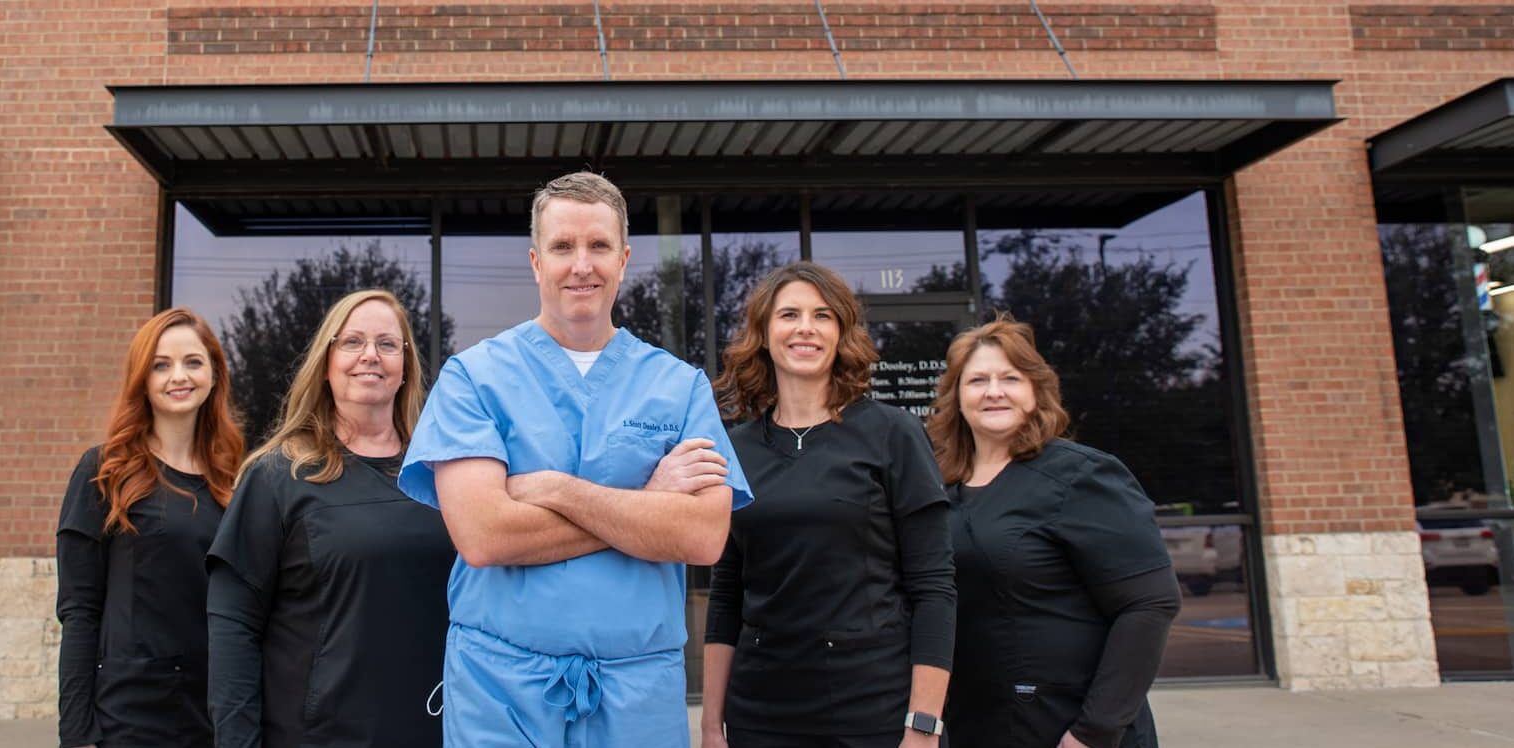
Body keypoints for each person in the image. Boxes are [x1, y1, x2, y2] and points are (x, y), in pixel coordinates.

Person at [397, 171, 753, 747]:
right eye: (563, 247)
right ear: (537, 262)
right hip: (501, 693)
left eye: (598, 246)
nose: (581, 265)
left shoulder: (679, 386)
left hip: (638, 699)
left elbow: (703, 537)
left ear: (625, 259)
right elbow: (485, 535)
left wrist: (557, 491)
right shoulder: (475, 378)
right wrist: (647, 508)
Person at [703, 262, 956, 748]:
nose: (805, 328)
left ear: (841, 333)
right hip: (761, 712)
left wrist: (923, 725)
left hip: (873, 709)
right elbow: (727, 593)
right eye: (789, 314)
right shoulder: (734, 449)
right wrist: (713, 725)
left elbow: (934, 589)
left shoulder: (893, 434)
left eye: (822, 316)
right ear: (763, 332)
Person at [206, 289, 454, 747]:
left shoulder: (440, 473)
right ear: (326, 363)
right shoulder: (278, 475)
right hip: (317, 734)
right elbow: (233, 624)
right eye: (352, 342)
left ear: (406, 367)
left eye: (386, 344)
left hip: (432, 728)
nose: (370, 356)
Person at [927, 316, 1180, 748]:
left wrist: (1093, 732)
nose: (993, 391)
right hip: (977, 725)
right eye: (977, 380)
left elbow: (1150, 603)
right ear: (956, 396)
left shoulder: (1081, 476)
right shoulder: (939, 485)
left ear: (1035, 391)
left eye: (1010, 378)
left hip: (1070, 729)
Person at [56, 308, 247, 748]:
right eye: (161, 365)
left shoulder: (235, 479)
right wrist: (77, 733)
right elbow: (79, 611)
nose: (179, 376)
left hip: (217, 710)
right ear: (142, 379)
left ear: (215, 374)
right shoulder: (104, 471)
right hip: (132, 716)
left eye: (193, 362)